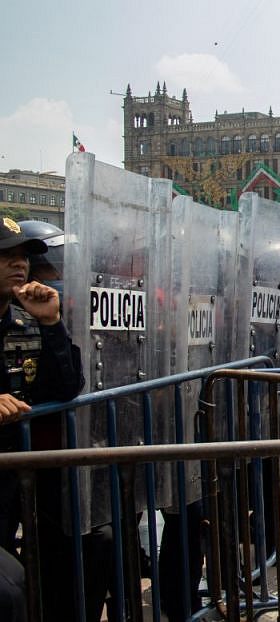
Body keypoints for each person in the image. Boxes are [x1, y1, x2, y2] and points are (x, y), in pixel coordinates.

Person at [0, 218, 88, 620]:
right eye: (5, 258)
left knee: (73, 556)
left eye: (22, 258)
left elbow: (67, 386)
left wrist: (52, 322)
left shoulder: (27, 318)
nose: (19, 266)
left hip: (25, 470)